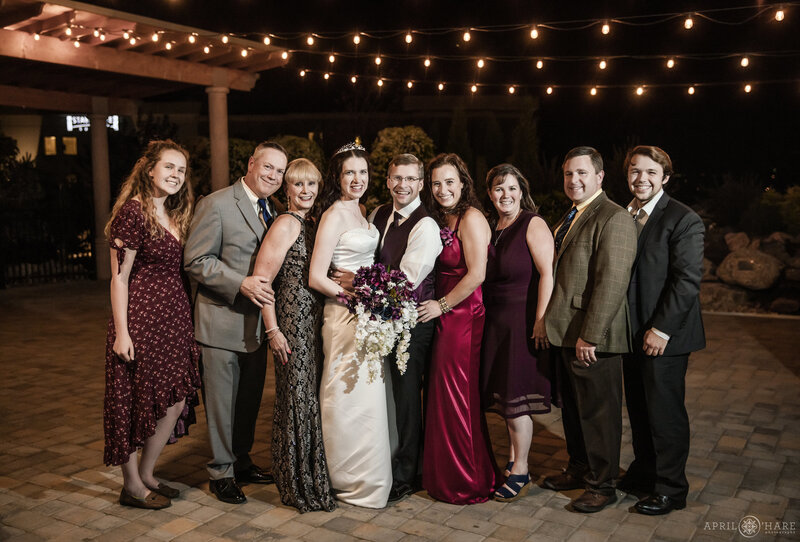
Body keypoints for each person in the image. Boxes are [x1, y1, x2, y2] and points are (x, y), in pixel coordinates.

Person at [184, 141, 287, 504]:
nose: (273, 176)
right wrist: (238, 282)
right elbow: (196, 260)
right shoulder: (216, 204)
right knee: (221, 404)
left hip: (258, 326)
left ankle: (241, 460)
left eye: (279, 171)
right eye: (268, 167)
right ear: (251, 163)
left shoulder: (274, 211)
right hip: (221, 321)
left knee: (248, 401)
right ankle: (221, 472)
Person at [103, 139, 201, 510]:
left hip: (173, 320)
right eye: (169, 167)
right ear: (150, 170)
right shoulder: (132, 213)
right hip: (140, 321)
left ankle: (146, 473)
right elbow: (119, 278)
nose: (176, 175)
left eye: (181, 169)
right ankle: (131, 486)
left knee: (174, 400)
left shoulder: (175, 213)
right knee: (133, 402)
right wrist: (122, 332)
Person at [542, 146, 637, 513]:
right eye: (568, 174)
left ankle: (603, 484)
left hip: (593, 338)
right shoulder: (572, 215)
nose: (573, 180)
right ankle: (580, 468)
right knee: (574, 411)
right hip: (567, 331)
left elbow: (612, 281)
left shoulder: (613, 217)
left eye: (581, 173)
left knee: (599, 414)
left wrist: (591, 335)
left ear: (599, 176)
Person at [618, 146, 705, 515]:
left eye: (651, 172)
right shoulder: (625, 214)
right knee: (638, 407)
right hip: (630, 332)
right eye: (636, 171)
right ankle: (645, 471)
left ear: (665, 178)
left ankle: (672, 488)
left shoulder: (684, 219)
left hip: (664, 336)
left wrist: (661, 330)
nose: (642, 179)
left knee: (664, 413)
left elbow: (686, 281)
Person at [250, 158, 337, 513]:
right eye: (298, 185)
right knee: (295, 399)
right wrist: (272, 330)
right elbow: (261, 281)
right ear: (286, 190)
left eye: (311, 185)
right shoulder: (285, 224)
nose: (305, 191)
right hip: (290, 324)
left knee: (308, 398)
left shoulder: (313, 223)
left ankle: (308, 471)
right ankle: (295, 479)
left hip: (315, 321)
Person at [308, 142, 392, 508]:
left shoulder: (362, 212)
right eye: (349, 173)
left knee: (369, 391)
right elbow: (316, 276)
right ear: (338, 178)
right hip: (343, 316)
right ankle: (345, 475)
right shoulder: (334, 215)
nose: (357, 179)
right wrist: (354, 299)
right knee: (345, 388)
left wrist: (372, 295)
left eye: (362, 172)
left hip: (368, 314)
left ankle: (371, 474)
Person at [417, 153, 496, 504]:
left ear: (463, 183)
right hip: (442, 313)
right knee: (440, 394)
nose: (442, 188)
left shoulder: (472, 217)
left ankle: (469, 479)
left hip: (463, 313)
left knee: (458, 395)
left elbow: (477, 273)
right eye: (436, 183)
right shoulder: (438, 217)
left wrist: (442, 305)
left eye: (449, 182)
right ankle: (443, 474)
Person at [367, 154, 442, 502]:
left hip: (412, 324)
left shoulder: (425, 225)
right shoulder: (379, 214)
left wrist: (360, 285)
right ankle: (389, 460)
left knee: (408, 399)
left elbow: (407, 282)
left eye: (410, 179)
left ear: (421, 184)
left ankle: (408, 474)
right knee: (389, 397)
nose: (402, 185)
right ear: (387, 180)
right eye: (397, 178)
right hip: (382, 321)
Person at [480, 164, 555, 502]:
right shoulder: (493, 226)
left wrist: (542, 319)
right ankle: (513, 459)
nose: (505, 195)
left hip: (522, 321)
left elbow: (548, 274)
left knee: (517, 399)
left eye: (511, 188)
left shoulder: (532, 224)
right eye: (498, 189)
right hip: (495, 323)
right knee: (506, 397)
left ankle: (521, 469)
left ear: (522, 191)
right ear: (490, 194)